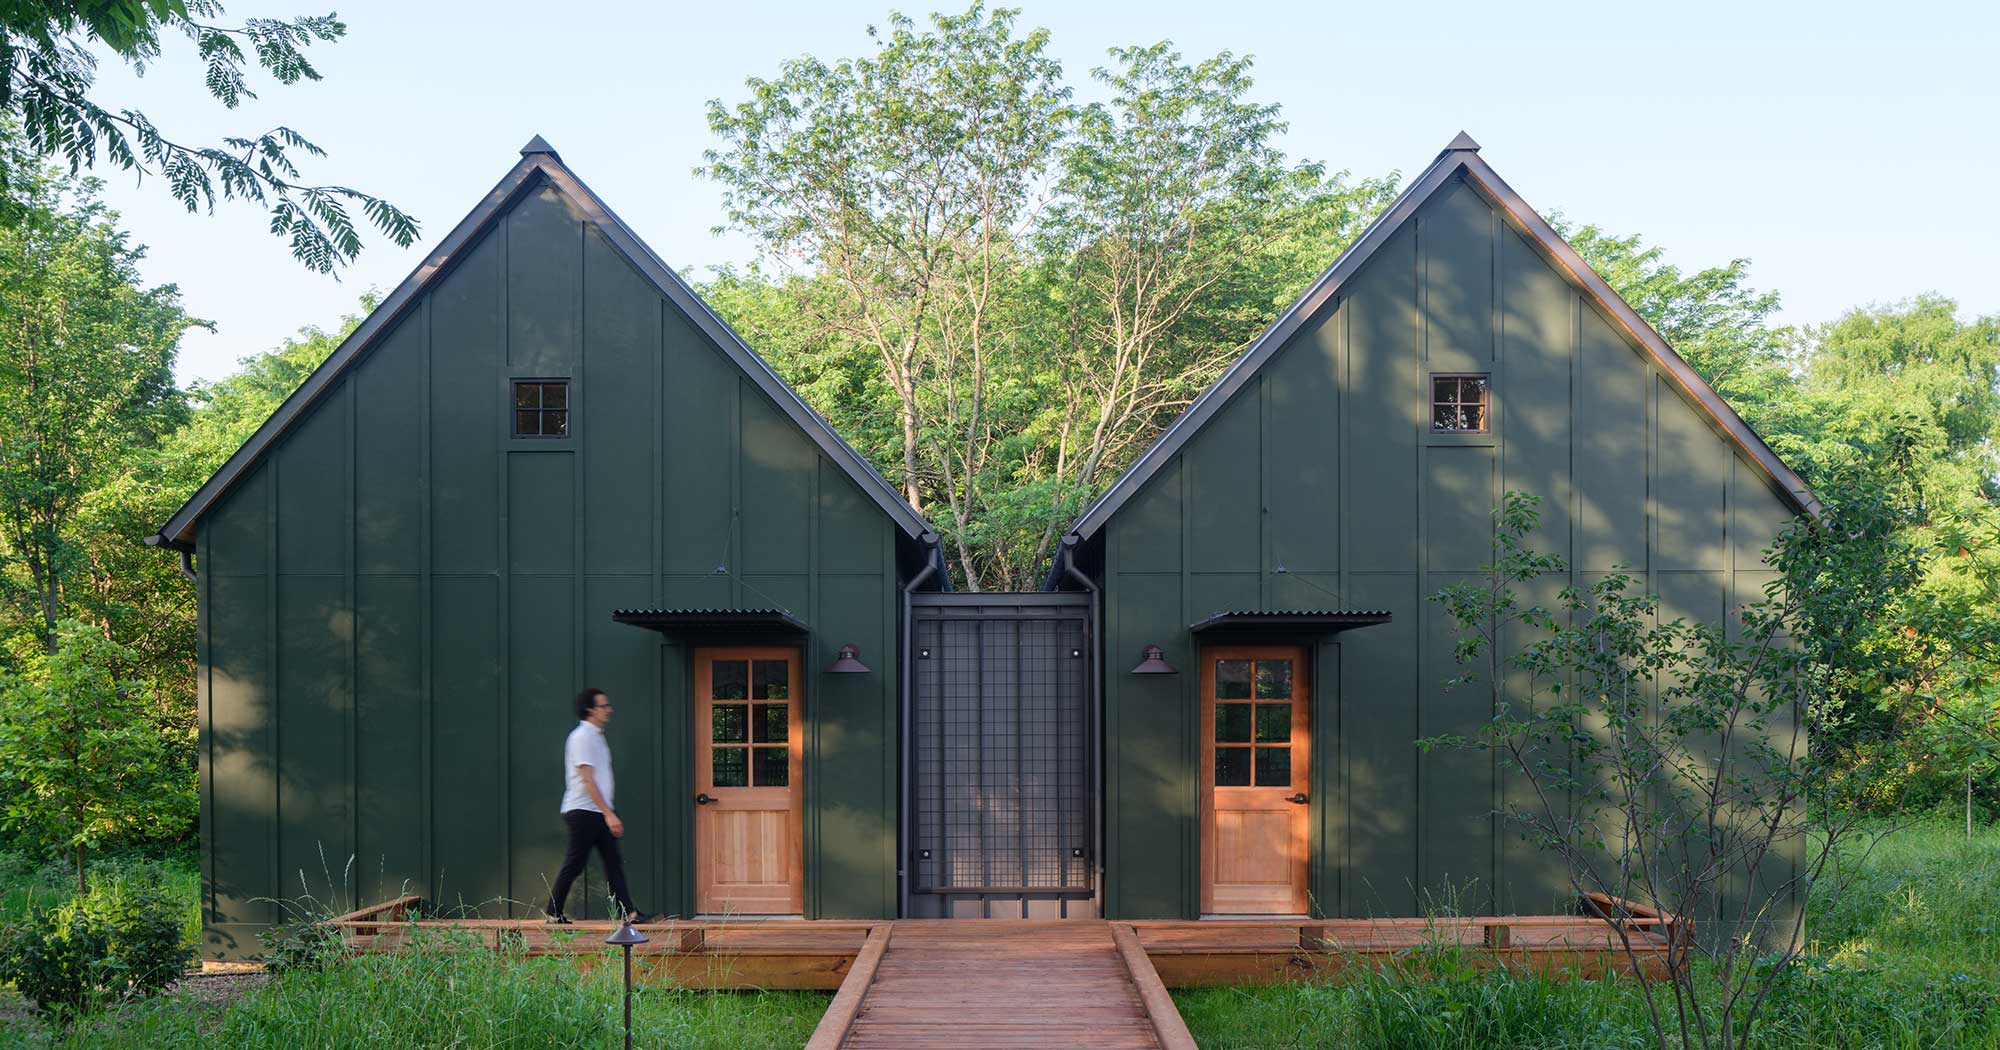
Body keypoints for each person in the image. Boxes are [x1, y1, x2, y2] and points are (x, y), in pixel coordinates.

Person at [545, 687, 653, 924]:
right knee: (575, 864)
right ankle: (553, 912)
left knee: (613, 863)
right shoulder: (582, 737)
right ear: (590, 710)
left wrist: (607, 812)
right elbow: (587, 780)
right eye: (604, 706)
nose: (609, 710)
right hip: (584, 811)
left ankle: (629, 913)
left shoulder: (596, 737)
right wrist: (608, 814)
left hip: (597, 811)